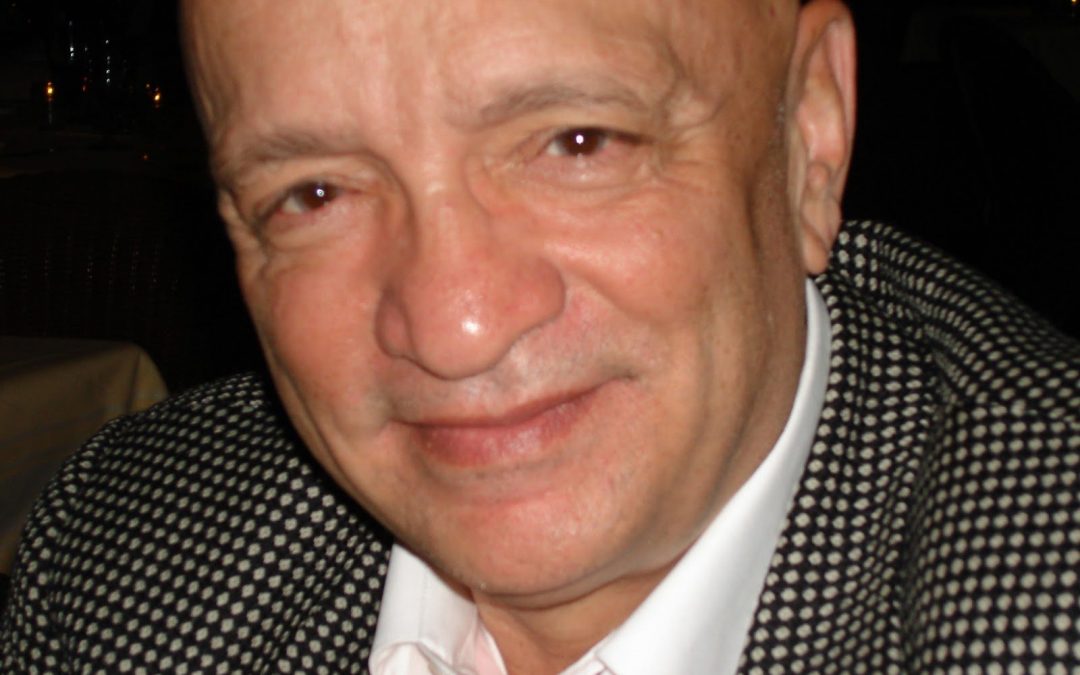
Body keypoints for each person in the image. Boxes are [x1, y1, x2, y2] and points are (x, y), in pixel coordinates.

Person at [2, 0, 1077, 672]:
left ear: (807, 128)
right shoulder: (114, 568)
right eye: (316, 192)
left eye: (576, 142)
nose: (455, 328)